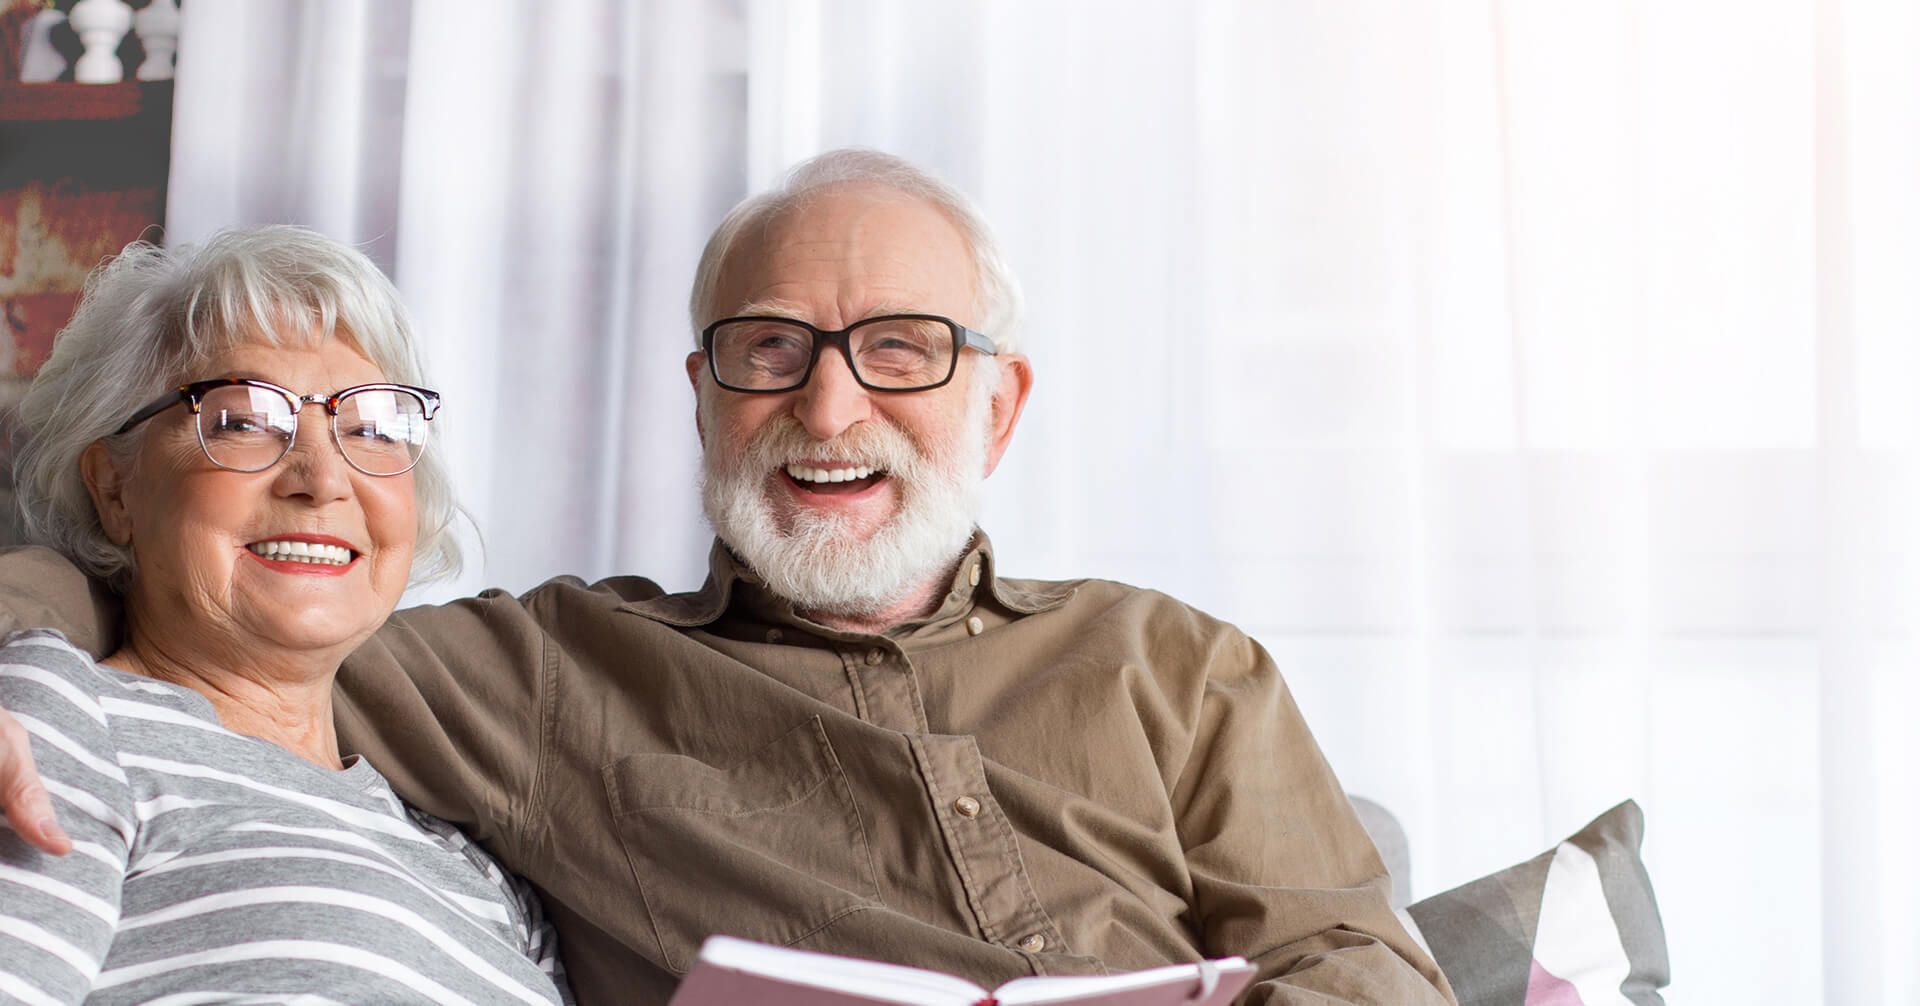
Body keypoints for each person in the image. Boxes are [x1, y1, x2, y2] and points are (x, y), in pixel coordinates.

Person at [0, 152, 1454, 1004]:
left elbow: (1364, 966)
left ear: (998, 407)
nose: (830, 412)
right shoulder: (543, 672)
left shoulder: (1181, 665)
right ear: (704, 398)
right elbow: (224, 603)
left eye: (901, 349)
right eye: (772, 352)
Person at [0, 228, 571, 1004]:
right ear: (114, 487)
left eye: (371, 428)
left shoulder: (480, 872)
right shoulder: (61, 717)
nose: (322, 477)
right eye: (243, 420)